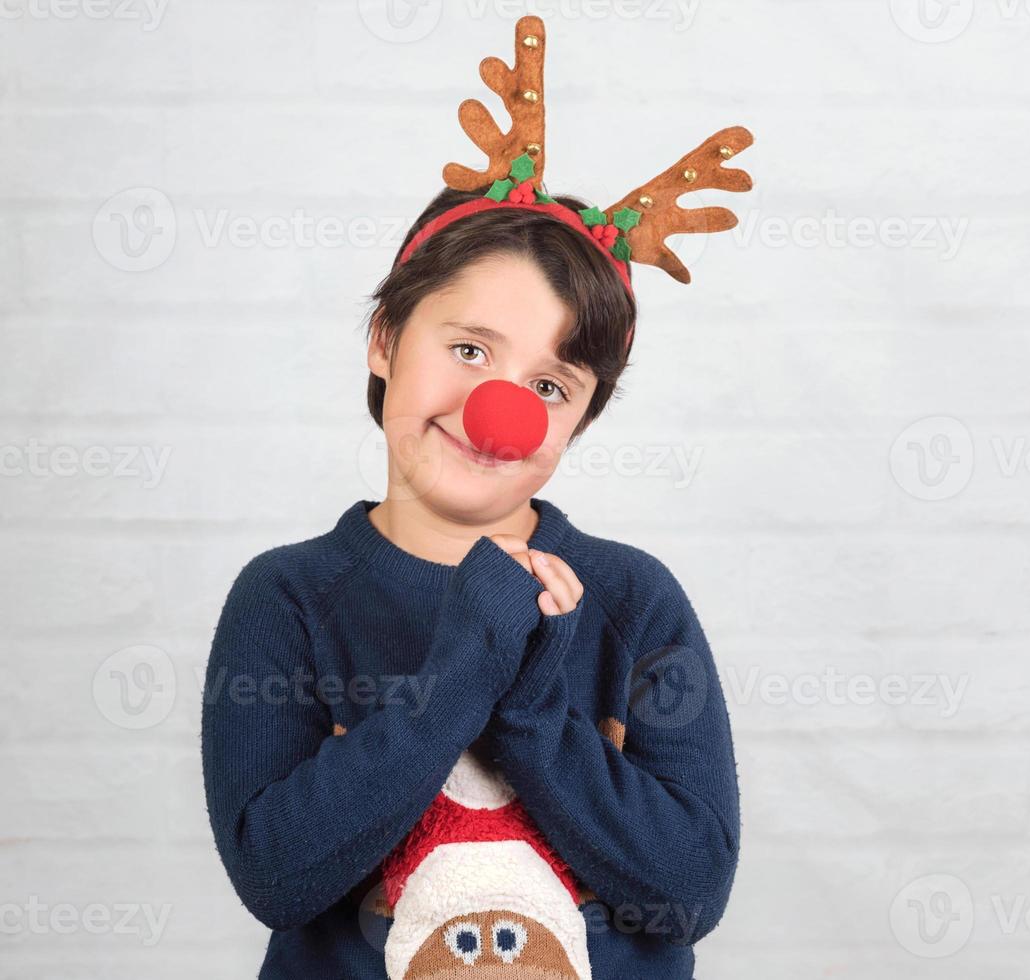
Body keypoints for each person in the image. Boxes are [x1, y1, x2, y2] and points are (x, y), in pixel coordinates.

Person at [200, 17, 753, 978]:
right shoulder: (287, 598)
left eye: (550, 386)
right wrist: (472, 659)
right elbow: (278, 878)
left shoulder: (632, 600)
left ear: (578, 420)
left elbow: (690, 893)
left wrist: (535, 710)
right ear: (384, 340)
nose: (497, 409)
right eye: (468, 350)